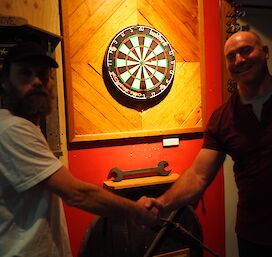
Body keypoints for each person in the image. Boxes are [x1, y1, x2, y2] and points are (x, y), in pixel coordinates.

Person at [139, 31, 272, 257]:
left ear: (265, 52)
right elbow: (198, 176)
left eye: (246, 51)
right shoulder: (223, 117)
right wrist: (161, 204)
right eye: (231, 56)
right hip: (253, 236)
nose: (239, 60)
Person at [0, 42, 157, 257]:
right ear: (5, 82)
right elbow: (77, 194)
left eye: (43, 75)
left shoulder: (22, 126)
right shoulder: (12, 128)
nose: (36, 82)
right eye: (25, 74)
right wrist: (137, 212)